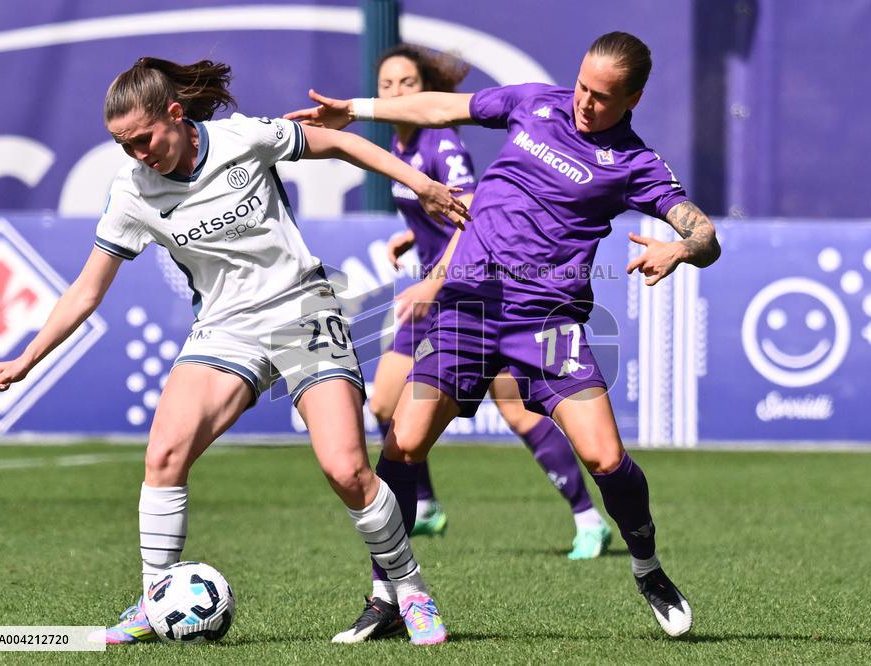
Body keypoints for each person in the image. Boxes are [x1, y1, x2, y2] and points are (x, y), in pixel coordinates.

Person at [0, 57, 471, 646]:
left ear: (175, 113)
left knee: (346, 468)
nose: (138, 154)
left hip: (301, 310)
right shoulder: (132, 192)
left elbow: (338, 144)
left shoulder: (243, 137)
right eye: (122, 144)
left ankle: (410, 592)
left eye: (144, 138)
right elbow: (86, 290)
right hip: (225, 330)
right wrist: (26, 358)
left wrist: (422, 185)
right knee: (164, 454)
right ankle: (156, 599)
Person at [288, 31, 720, 639]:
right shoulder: (534, 102)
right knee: (403, 444)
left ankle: (647, 567)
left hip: (545, 318)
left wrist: (682, 247)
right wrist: (357, 111)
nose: (584, 103)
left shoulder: (634, 163)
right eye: (582, 86)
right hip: (467, 305)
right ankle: (386, 595)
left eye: (602, 97)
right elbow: (441, 107)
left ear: (634, 99)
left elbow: (704, 233)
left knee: (606, 458)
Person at [335, 41, 617, 644]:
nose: (396, 95)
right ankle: (427, 511)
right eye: (386, 85)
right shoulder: (401, 143)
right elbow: (434, 213)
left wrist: (435, 278)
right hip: (435, 286)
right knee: (388, 409)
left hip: (468, 289)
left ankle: (589, 517)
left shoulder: (441, 143)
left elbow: (470, 210)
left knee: (514, 411)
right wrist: (411, 242)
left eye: (407, 83)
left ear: (424, 88)